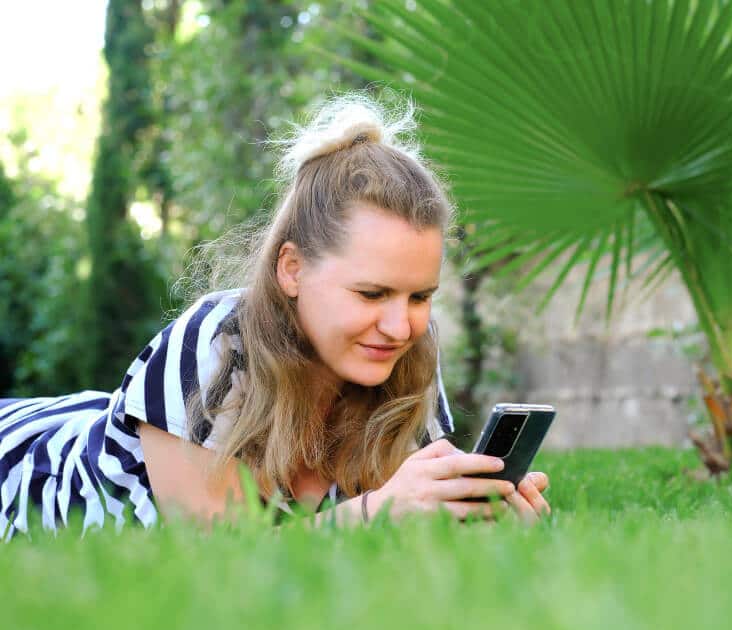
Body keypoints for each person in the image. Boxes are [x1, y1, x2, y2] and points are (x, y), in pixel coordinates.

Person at [0, 94, 550, 540]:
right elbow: (224, 562)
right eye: (371, 293)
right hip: (25, 456)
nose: (400, 326)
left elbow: (389, 540)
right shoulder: (213, 346)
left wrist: (477, 520)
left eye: (418, 297)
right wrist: (381, 509)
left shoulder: (408, 352)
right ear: (292, 269)